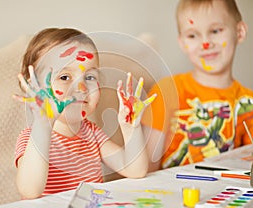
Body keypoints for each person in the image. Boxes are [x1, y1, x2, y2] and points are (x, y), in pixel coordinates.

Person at [13, 28, 155, 199]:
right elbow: (29, 191)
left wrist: (131, 127)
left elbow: (135, 170)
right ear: (35, 88)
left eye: (89, 78)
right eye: (64, 77)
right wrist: (43, 127)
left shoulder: (92, 134)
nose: (81, 88)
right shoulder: (32, 138)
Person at [142, 0, 253, 171]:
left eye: (215, 31)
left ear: (239, 32)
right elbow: (146, 168)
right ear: (182, 43)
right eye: (193, 35)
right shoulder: (166, 92)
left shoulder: (247, 103)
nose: (205, 44)